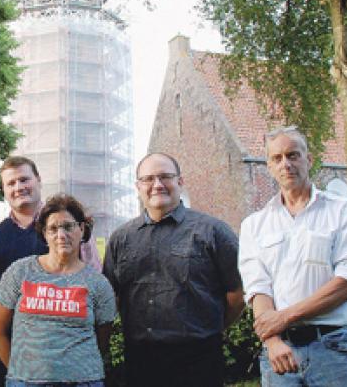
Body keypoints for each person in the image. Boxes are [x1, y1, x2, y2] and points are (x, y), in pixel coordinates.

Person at [238, 127, 347, 386]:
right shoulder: (254, 225)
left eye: (293, 155)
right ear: (269, 166)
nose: (286, 164)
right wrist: (273, 341)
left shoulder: (343, 212)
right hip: (279, 354)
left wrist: (284, 318)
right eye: (277, 158)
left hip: (331, 349)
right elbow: (258, 288)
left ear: (308, 159)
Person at [102, 152, 244, 387]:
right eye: (148, 179)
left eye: (165, 177)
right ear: (138, 186)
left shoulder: (214, 232)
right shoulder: (121, 238)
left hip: (199, 361)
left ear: (180, 181)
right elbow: (112, 297)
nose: (157, 185)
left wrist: (208, 330)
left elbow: (237, 295)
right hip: (140, 361)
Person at [0, 156, 101, 386]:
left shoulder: (71, 227)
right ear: (3, 190)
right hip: (15, 358)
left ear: (38, 180)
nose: (18, 187)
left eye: (24, 179)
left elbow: (94, 283)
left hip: (69, 359)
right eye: (11, 183)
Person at [0, 194, 116, 387]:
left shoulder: (98, 283)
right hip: (24, 382)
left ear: (81, 229)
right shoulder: (20, 271)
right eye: (53, 228)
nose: (61, 235)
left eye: (68, 226)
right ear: (44, 234)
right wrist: (18, 371)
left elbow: (103, 337)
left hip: (83, 382)